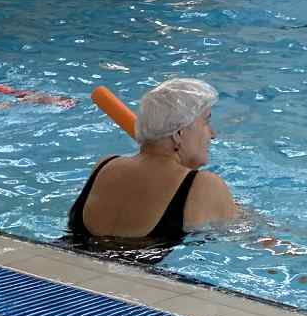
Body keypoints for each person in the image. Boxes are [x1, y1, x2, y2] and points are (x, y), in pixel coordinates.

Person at [68, 77, 239, 248]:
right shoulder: (204, 185)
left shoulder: (105, 166)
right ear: (179, 133)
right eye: (206, 121)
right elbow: (245, 237)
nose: (213, 134)